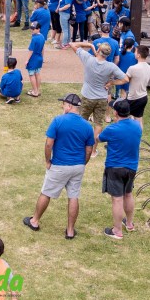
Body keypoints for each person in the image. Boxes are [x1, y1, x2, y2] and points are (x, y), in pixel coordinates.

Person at [23, 93, 95, 240]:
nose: (62, 106)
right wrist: (83, 163)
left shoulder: (58, 121)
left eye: (63, 104)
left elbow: (49, 144)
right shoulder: (87, 126)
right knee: (73, 196)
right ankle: (70, 231)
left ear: (69, 106)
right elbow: (89, 150)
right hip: (78, 166)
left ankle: (34, 221)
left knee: (46, 193)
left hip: (59, 165)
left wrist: (47, 160)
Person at [69, 41, 128, 157]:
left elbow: (72, 44)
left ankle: (78, 146)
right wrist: (111, 83)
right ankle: (93, 150)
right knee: (98, 124)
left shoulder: (88, 58)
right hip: (101, 98)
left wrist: (90, 45)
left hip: (87, 96)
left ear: (98, 50)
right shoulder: (111, 66)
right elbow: (125, 79)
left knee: (82, 121)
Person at [98, 98, 144, 239]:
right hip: (132, 167)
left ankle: (117, 230)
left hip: (115, 168)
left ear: (115, 113)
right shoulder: (137, 126)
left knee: (117, 199)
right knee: (128, 194)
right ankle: (129, 223)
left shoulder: (112, 129)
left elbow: (99, 138)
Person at [124, 46, 150, 121]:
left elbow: (124, 80)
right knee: (139, 119)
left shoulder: (133, 68)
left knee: (122, 118)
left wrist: (111, 82)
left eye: (135, 51)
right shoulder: (149, 67)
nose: (134, 53)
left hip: (133, 98)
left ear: (138, 55)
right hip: (144, 97)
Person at [26, 20, 45, 98]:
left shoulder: (34, 39)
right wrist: (42, 57)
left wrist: (27, 60)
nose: (32, 30)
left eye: (33, 29)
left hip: (33, 58)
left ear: (38, 29)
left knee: (31, 74)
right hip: (39, 57)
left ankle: (35, 91)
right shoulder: (42, 37)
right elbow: (43, 48)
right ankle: (37, 90)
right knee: (37, 73)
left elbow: (31, 50)